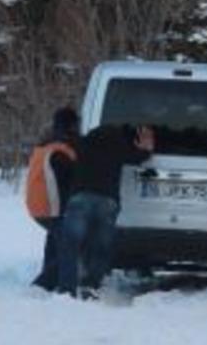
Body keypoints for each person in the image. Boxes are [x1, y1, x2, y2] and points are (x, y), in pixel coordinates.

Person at [57, 124, 155, 299]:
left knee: (70, 245)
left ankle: (66, 289)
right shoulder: (118, 147)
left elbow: (66, 142)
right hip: (107, 201)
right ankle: (91, 284)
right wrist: (146, 149)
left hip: (81, 198)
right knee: (101, 247)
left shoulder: (83, 143)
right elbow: (139, 157)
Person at [25, 107, 79, 291]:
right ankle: (55, 287)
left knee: (55, 241)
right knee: (70, 246)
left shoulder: (45, 145)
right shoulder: (61, 151)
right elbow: (68, 181)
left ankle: (47, 285)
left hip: (37, 206)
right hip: (50, 207)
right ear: (71, 125)